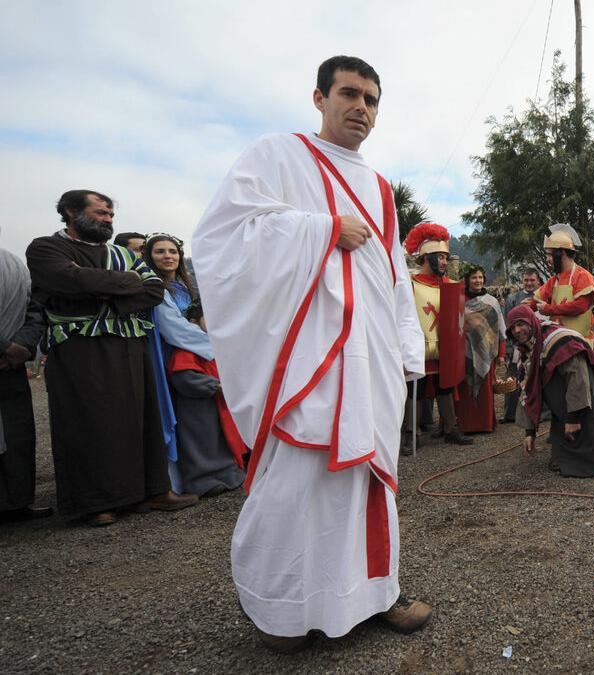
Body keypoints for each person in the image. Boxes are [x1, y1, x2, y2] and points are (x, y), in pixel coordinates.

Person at [191, 55, 431, 651]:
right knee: (301, 475)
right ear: (319, 97)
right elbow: (221, 238)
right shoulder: (278, 155)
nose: (362, 108)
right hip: (308, 355)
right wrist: (321, 228)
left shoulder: (378, 186)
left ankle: (374, 593)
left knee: (369, 472)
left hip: (369, 354)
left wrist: (406, 348)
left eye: (372, 100)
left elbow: (395, 274)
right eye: (349, 94)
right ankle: (283, 610)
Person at [27, 190, 197, 527]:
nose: (108, 219)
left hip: (130, 346)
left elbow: (152, 290)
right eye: (100, 213)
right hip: (80, 348)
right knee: (91, 422)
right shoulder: (46, 248)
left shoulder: (122, 253)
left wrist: (99, 292)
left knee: (140, 415)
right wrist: (124, 285)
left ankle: (152, 489)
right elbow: (67, 280)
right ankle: (97, 501)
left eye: (110, 215)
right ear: (71, 212)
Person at [143, 233, 244, 497]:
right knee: (189, 423)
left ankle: (226, 469)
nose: (168, 256)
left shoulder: (189, 289)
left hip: (201, 351)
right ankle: (192, 477)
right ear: (150, 257)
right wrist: (215, 344)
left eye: (173, 251)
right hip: (176, 354)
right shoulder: (156, 290)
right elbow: (173, 327)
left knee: (212, 422)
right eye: (160, 252)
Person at [507, 304, 594, 477]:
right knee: (563, 454)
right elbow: (528, 390)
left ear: (531, 321)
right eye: (513, 327)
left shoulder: (558, 339)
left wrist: (573, 418)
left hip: (583, 402)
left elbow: (578, 378)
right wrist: (530, 432)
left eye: (521, 324)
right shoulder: (527, 349)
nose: (517, 330)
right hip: (563, 410)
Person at [166, 301, 252, 487]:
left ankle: (229, 475)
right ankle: (204, 481)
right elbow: (183, 377)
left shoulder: (213, 345)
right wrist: (213, 385)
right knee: (204, 446)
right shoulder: (186, 350)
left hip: (215, 405)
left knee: (221, 442)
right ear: (193, 322)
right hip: (197, 410)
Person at [405, 221, 472, 446]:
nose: (444, 262)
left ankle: (451, 428)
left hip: (445, 347)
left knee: (446, 386)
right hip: (419, 347)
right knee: (415, 389)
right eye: (440, 257)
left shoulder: (450, 285)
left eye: (446, 257)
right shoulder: (410, 284)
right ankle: (411, 434)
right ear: (426, 257)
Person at [0, 247, 51, 523]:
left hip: (10, 364)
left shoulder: (12, 264)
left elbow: (34, 309)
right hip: (8, 354)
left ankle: (15, 502)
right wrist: (8, 347)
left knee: (16, 433)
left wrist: (22, 346)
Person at [454, 265, 506, 434]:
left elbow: (501, 331)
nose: (478, 281)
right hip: (464, 354)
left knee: (485, 392)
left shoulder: (492, 302)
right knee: (465, 390)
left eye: (480, 277)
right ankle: (466, 424)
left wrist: (501, 355)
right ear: (467, 280)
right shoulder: (459, 300)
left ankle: (485, 424)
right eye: (474, 277)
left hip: (486, 353)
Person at [534, 223, 594, 343]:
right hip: (557, 341)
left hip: (580, 344)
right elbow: (535, 301)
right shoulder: (554, 280)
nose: (547, 259)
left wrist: (549, 309)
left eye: (549, 254)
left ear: (561, 253)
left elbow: (580, 306)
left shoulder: (583, 276)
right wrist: (521, 310)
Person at [501, 269, 542, 423]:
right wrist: (509, 349)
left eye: (532, 280)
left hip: (538, 346)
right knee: (513, 379)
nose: (529, 283)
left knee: (536, 379)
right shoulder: (513, 299)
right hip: (516, 345)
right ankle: (509, 414)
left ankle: (538, 412)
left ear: (538, 281)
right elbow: (506, 325)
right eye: (526, 280)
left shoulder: (543, 298)